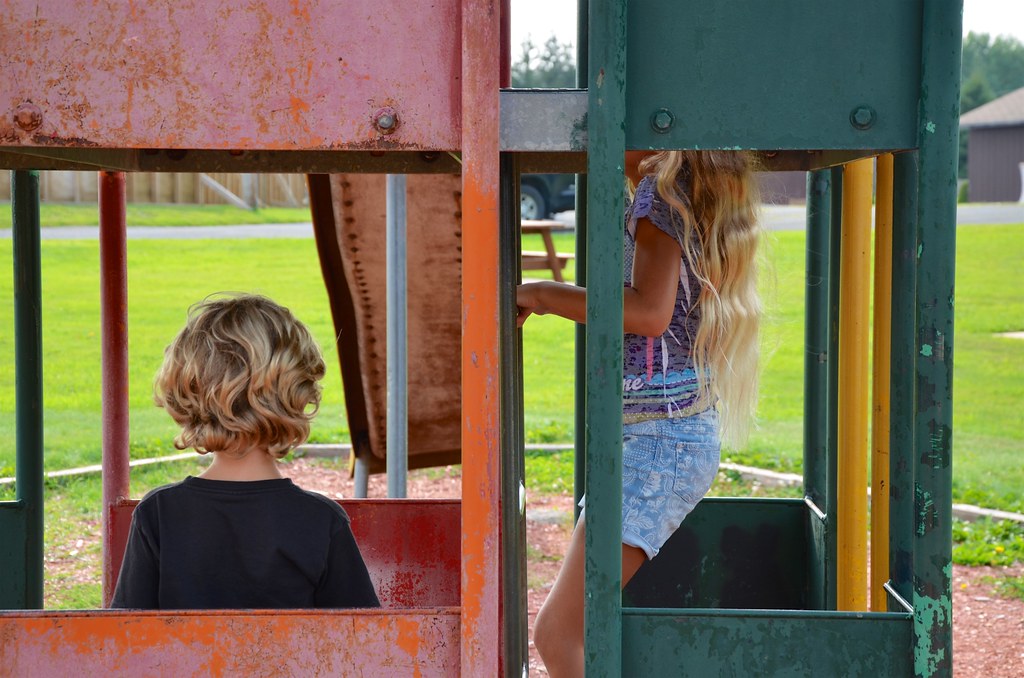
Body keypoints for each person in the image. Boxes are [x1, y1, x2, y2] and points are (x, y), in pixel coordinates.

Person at [517, 151, 762, 676]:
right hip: (665, 436)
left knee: (557, 634)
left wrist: (542, 293)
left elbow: (649, 312)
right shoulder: (678, 193)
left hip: (661, 442)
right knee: (576, 632)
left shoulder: (660, 195)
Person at [111, 294, 380, 610]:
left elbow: (124, 640)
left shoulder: (159, 514)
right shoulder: (320, 521)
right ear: (298, 394)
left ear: (187, 392)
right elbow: (362, 641)